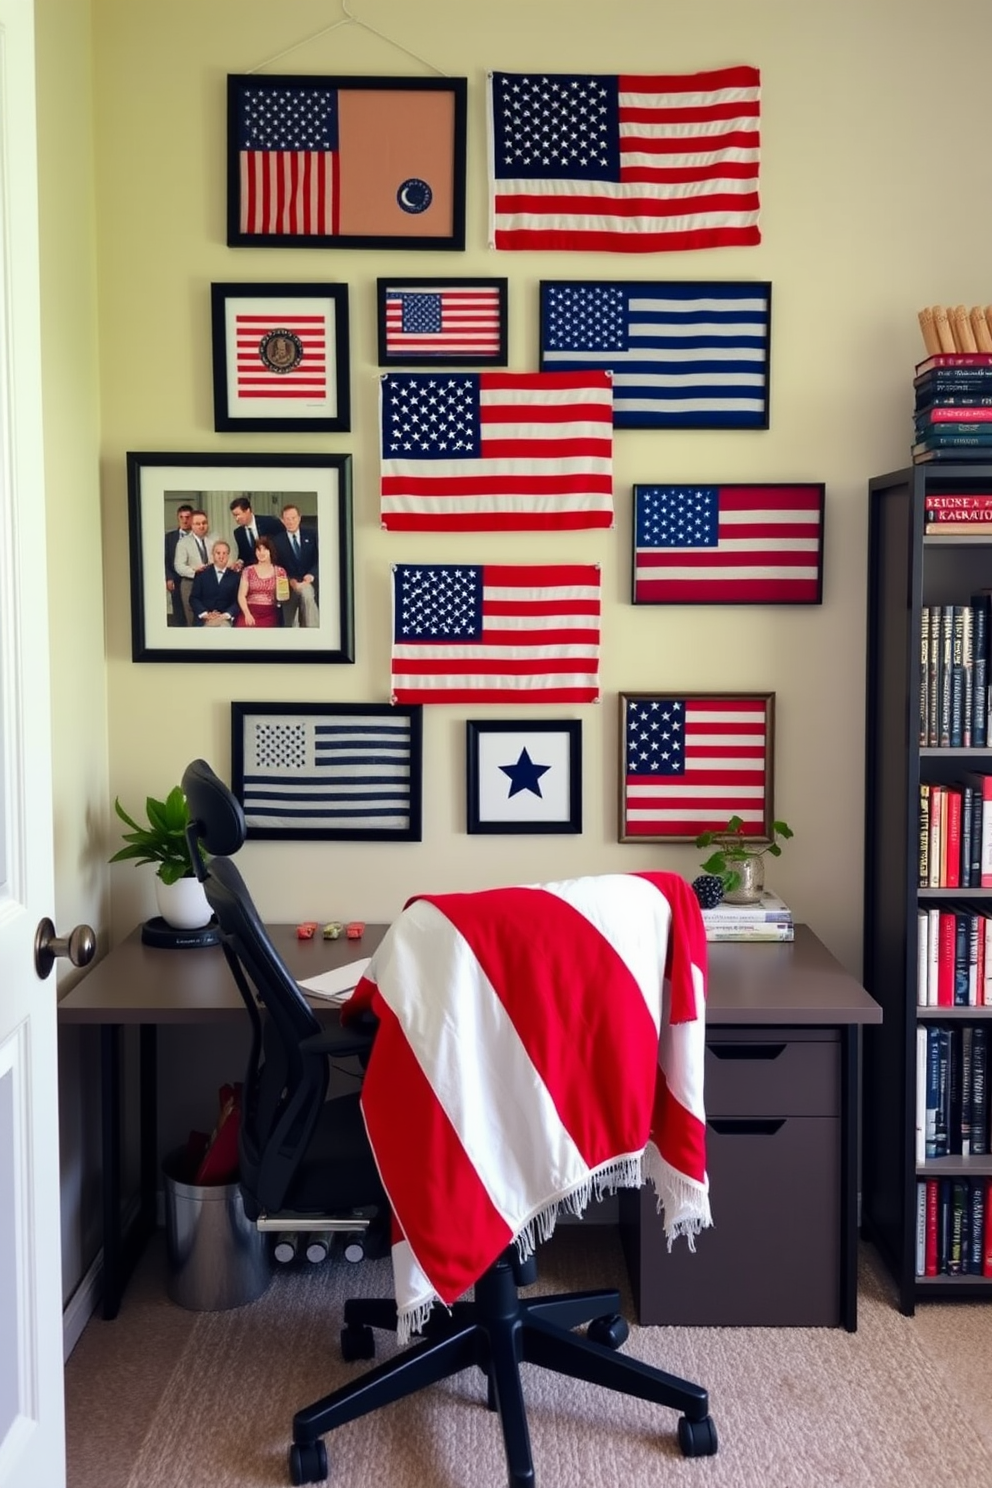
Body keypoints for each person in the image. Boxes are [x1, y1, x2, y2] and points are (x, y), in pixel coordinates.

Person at [174, 510, 222, 627]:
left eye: (204, 523)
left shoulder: (214, 540)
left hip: (210, 584)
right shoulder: (183, 543)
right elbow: (179, 566)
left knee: (210, 618)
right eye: (198, 523)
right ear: (191, 524)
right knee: (193, 620)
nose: (202, 526)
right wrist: (195, 572)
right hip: (190, 584)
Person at [276, 502, 319, 627]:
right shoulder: (277, 541)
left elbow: (321, 558)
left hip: (310, 580)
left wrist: (311, 575)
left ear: (299, 518)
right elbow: (277, 566)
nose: (290, 522)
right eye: (287, 519)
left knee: (307, 594)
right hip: (288, 583)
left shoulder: (312, 535)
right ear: (282, 521)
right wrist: (290, 581)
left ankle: (312, 630)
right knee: (291, 617)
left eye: (293, 518)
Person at [235, 534, 286, 628]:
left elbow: (283, 597)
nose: (261, 553)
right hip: (249, 610)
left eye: (265, 549)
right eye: (258, 549)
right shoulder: (248, 570)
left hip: (269, 612)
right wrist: (247, 614)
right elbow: (241, 595)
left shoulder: (280, 571)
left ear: (271, 551)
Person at [190, 540, 240, 626]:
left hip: (224, 619)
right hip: (205, 619)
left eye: (224, 553)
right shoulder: (201, 574)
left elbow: (237, 601)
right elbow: (194, 598)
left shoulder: (235, 576)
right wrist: (205, 614)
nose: (221, 556)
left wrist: (226, 615)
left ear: (228, 555)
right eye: (218, 553)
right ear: (213, 555)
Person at [229, 496, 284, 570]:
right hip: (254, 572)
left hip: (274, 569)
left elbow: (283, 541)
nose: (236, 518)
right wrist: (240, 562)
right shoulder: (238, 533)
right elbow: (243, 554)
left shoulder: (269, 522)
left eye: (238, 514)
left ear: (248, 511)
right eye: (234, 516)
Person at [164, 503, 194, 626]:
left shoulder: (197, 536)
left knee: (193, 609)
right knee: (179, 611)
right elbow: (165, 559)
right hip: (176, 580)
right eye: (181, 517)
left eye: (187, 517)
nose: (184, 520)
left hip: (194, 579)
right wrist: (169, 578)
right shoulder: (169, 537)